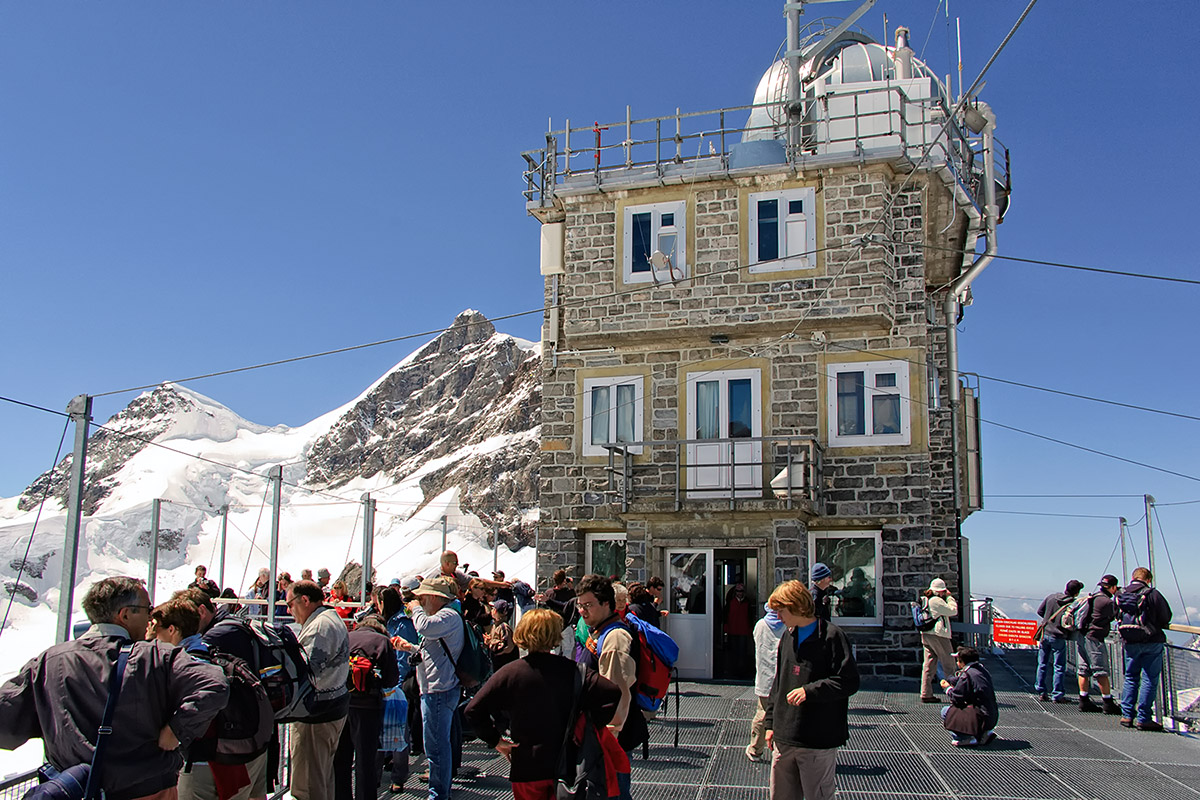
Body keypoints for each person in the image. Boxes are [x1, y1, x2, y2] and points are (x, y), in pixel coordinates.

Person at [0, 576, 229, 800]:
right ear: (125, 615)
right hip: (149, 791)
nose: (151, 618)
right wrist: (176, 729)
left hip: (76, 790)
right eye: (147, 610)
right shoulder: (157, 656)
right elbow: (214, 684)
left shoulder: (49, 661)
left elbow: (7, 722)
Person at [465, 609, 624, 800]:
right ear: (555, 635)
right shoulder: (572, 670)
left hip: (526, 765)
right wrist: (586, 724)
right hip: (567, 763)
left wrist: (495, 740)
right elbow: (612, 693)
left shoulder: (511, 672)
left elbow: (473, 709)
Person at [762, 580, 859, 800]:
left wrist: (810, 691)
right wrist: (770, 724)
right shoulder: (788, 636)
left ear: (796, 606)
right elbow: (779, 683)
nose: (778, 616)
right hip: (784, 737)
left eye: (781, 610)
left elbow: (848, 681)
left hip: (817, 738)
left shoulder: (832, 636)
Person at [575, 574, 647, 800]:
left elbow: (617, 692)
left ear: (607, 603)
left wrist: (609, 738)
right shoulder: (600, 631)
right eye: (580, 606)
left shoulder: (614, 639)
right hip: (598, 736)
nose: (582, 611)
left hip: (608, 740)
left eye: (588, 605)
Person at [391, 577, 463, 800]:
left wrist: (414, 609)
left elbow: (424, 627)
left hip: (439, 690)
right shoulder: (446, 617)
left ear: (434, 597)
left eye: (422, 598)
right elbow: (434, 649)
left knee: (436, 748)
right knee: (436, 746)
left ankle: (438, 795)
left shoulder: (447, 616)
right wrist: (411, 647)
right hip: (436, 688)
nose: (419, 601)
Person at [286, 580, 351, 800]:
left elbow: (306, 672)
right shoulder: (331, 618)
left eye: (290, 604)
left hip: (316, 715)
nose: (288, 610)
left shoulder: (319, 628)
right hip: (331, 709)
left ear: (304, 600)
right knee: (321, 777)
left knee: (308, 785)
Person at [334, 616, 400, 800]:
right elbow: (391, 680)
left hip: (341, 705)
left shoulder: (345, 637)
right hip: (367, 708)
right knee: (366, 761)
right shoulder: (382, 642)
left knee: (340, 759)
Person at [1118, 567, 1174, 731]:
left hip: (1129, 640)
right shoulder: (1152, 594)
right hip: (1151, 640)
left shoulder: (1121, 594)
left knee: (1131, 677)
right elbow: (1166, 616)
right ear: (1148, 579)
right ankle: (1144, 718)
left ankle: (1127, 715)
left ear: (1133, 578)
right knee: (1149, 679)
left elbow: (1116, 613)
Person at [381, 586, 418, 793]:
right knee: (385, 729)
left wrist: (396, 683)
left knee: (399, 732)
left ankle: (399, 776)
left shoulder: (401, 624)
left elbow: (404, 658)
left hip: (396, 683)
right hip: (387, 680)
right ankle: (381, 770)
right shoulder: (388, 621)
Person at [746, 601, 785, 763]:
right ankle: (781, 751)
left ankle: (755, 749)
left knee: (762, 714)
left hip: (765, 676)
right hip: (783, 678)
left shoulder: (761, 625)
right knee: (784, 715)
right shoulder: (788, 625)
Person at [1033, 579, 1084, 704]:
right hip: (1059, 636)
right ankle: (1057, 694)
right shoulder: (1073, 603)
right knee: (1059, 666)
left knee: (1042, 663)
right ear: (1076, 592)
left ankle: (1041, 691)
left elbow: (1040, 611)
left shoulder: (1051, 597)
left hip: (1045, 634)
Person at [1076, 575, 1121, 714]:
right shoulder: (1107, 602)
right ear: (1113, 587)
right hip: (1095, 637)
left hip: (1081, 635)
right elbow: (1116, 615)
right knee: (1100, 670)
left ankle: (1083, 700)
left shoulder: (1092, 597)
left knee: (1083, 669)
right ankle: (1107, 702)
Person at [939, 646, 999, 747]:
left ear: (962, 662)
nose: (957, 663)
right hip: (992, 716)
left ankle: (966, 737)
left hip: (980, 717)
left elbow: (957, 697)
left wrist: (947, 688)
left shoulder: (967, 675)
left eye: (958, 661)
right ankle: (984, 733)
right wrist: (952, 680)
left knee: (946, 711)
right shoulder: (982, 671)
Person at [919, 578, 958, 703]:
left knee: (929, 664)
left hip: (926, 634)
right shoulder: (936, 601)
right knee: (949, 664)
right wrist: (950, 598)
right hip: (938, 635)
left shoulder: (925, 599)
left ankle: (926, 693)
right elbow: (953, 610)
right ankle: (955, 693)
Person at [540, 569, 578, 656]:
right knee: (568, 649)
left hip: (552, 624)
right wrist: (571, 588)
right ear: (564, 580)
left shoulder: (549, 593)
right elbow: (572, 603)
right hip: (565, 624)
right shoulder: (568, 594)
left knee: (553, 649)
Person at [722, 583, 754, 678]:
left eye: (741, 591)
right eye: (738, 591)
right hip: (732, 631)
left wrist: (750, 629)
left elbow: (750, 617)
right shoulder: (730, 602)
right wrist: (726, 628)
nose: (739, 593)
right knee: (733, 652)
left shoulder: (747, 603)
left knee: (743, 652)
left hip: (743, 631)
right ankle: (733, 670)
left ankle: (742, 671)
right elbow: (726, 616)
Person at [485, 599, 519, 671]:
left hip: (504, 666)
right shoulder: (495, 625)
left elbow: (506, 646)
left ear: (495, 611)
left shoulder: (504, 627)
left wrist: (490, 643)